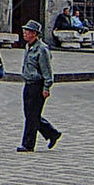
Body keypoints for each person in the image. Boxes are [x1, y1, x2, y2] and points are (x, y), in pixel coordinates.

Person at [17, 20, 62, 152]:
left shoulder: (42, 49)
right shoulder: (28, 46)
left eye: (27, 31)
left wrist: (46, 87)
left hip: (37, 85)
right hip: (28, 84)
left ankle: (28, 144)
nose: (24, 33)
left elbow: (47, 71)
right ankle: (52, 133)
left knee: (32, 116)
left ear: (34, 33)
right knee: (31, 114)